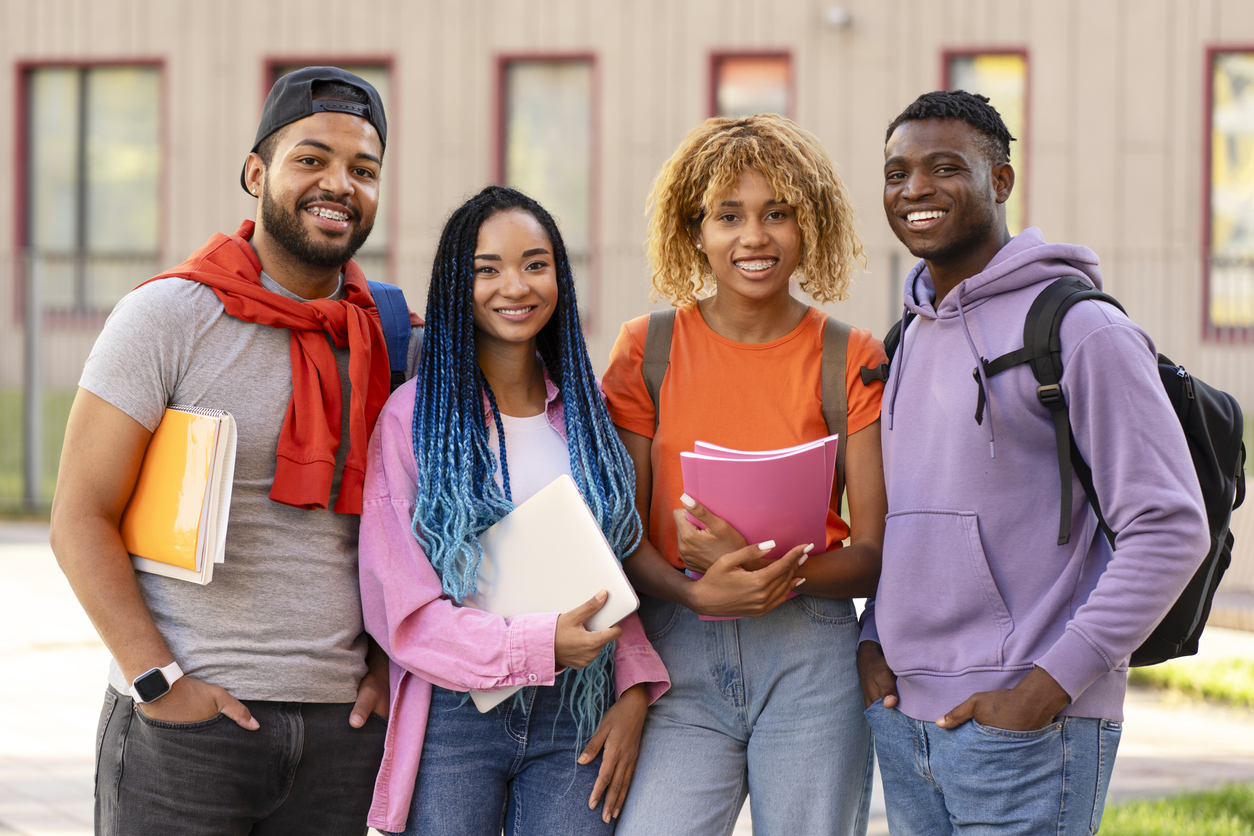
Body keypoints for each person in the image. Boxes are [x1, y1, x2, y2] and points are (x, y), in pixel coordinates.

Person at [49, 67, 416, 835]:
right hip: (186, 732)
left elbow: (409, 525)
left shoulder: (387, 334)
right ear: (256, 173)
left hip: (339, 735)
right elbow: (80, 515)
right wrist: (160, 685)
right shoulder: (168, 316)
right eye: (310, 159)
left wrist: (388, 669)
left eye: (363, 169)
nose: (339, 184)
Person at [857, 90, 1210, 835]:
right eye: (896, 173)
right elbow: (903, 521)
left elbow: (1170, 527)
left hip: (1028, 727)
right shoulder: (904, 340)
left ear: (1002, 181)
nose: (914, 189)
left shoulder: (1080, 329)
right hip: (905, 723)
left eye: (944, 168)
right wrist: (873, 642)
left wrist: (1048, 688)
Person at [601, 114, 888, 836]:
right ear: (694, 229)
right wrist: (698, 588)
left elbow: (875, 556)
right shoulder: (647, 351)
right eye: (728, 216)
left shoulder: (849, 357)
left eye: (777, 214)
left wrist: (769, 577)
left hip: (810, 655)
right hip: (679, 650)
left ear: (809, 224)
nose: (754, 237)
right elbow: (621, 537)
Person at [358, 186, 670, 836]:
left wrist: (635, 693)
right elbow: (404, 614)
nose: (515, 285)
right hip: (455, 712)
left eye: (535, 263)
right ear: (456, 284)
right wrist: (537, 642)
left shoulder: (588, 419)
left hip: (578, 714)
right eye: (487, 269)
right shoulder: (413, 422)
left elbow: (611, 576)